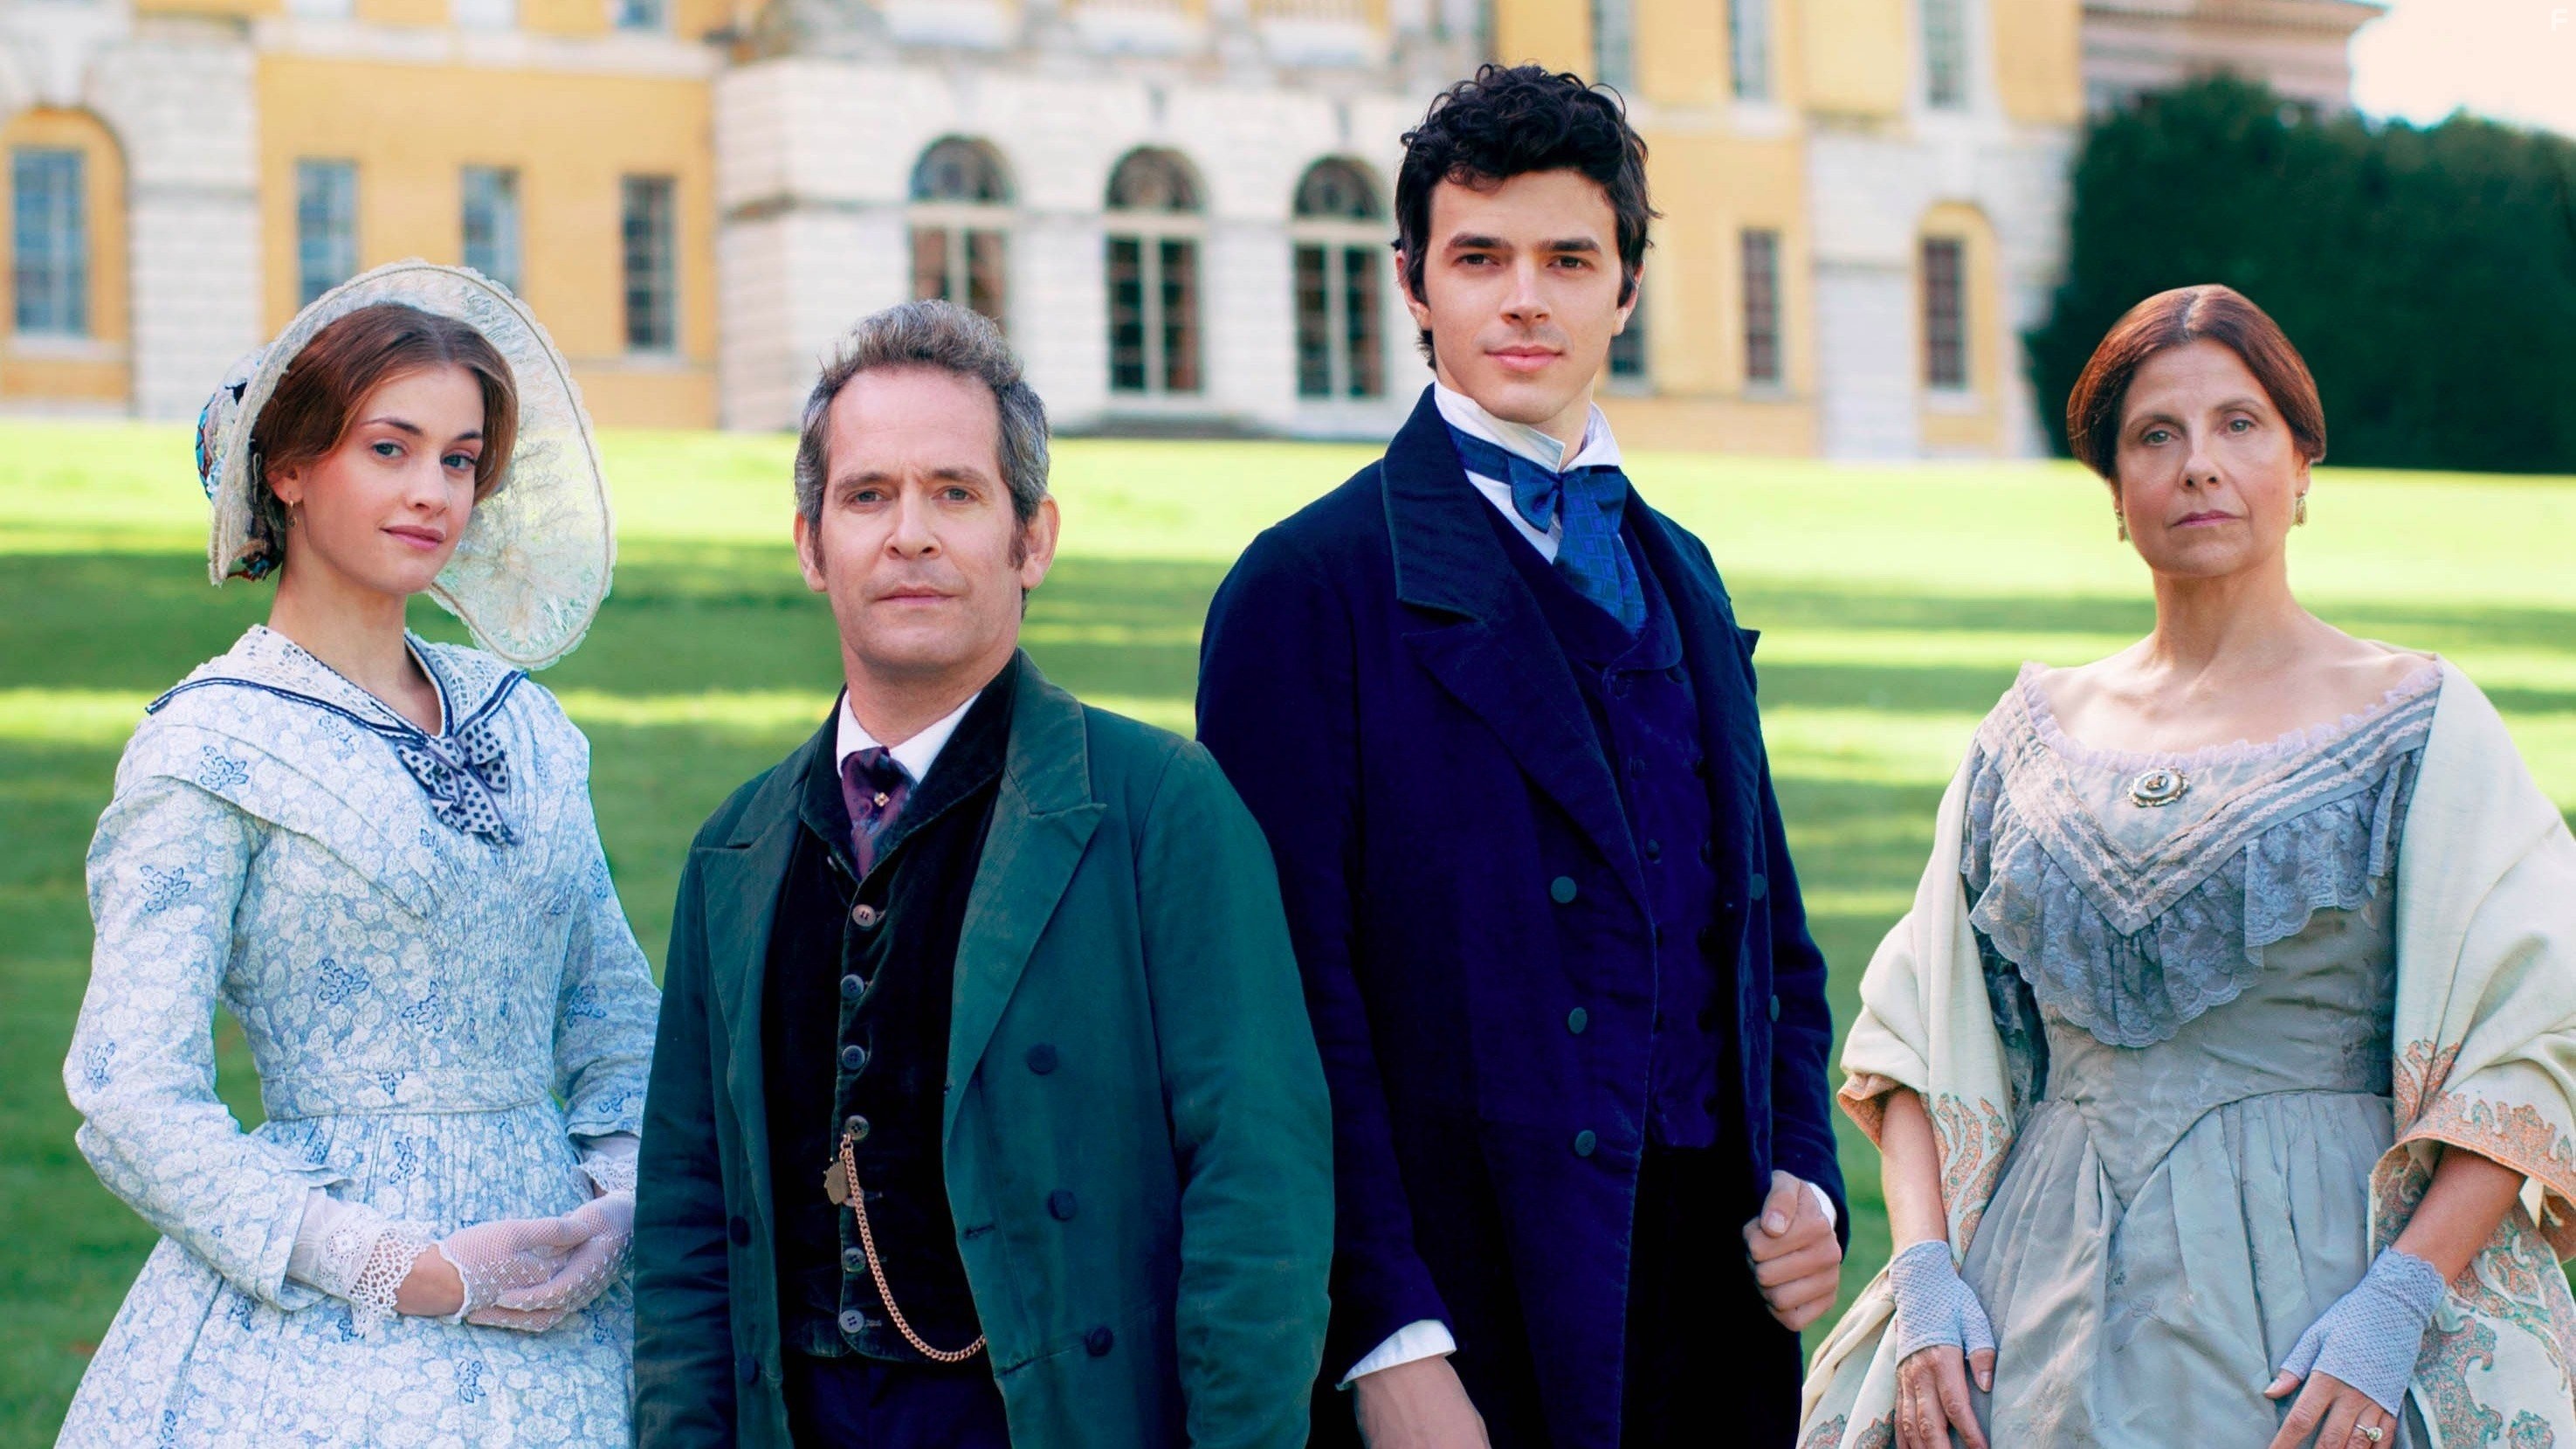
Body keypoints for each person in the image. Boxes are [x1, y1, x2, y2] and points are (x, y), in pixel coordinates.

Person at [1800, 284, 2576, 1449]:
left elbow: (2533, 1039)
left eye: (2238, 425)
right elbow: (1912, 1036)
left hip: (2317, 1309)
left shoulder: (2420, 720)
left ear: (2302, 467)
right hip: (2029, 1311)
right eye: (2153, 435)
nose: (2197, 465)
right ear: (2113, 496)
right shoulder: (2023, 736)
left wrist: (2396, 1302)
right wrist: (1921, 1279)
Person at [1196, 66, 1846, 1449]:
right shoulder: (1303, 591)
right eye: (1478, 258)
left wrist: (1805, 1173)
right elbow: (1282, 1011)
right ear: (1412, 285)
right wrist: (1383, 1333)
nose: (1523, 300)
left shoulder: (1679, 570)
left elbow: (1769, 941)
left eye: (1568, 259)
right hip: (1471, 1300)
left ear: (1625, 288)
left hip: (1707, 1299)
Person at [630, 299, 1332, 1449]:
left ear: (1031, 538)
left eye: (954, 492)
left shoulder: (1161, 809)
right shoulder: (734, 848)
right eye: (867, 496)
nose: (909, 534)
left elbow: (1257, 1194)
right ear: (811, 546)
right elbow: (688, 1225)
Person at [58, 261, 659, 1446]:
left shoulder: (526, 722)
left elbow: (612, 1008)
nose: (432, 489)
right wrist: (405, 1271)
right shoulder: (209, 749)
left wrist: (615, 1199)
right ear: (286, 469)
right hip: (329, 1318)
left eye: (458, 457)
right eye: (389, 448)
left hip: (567, 1299)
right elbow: (130, 1088)